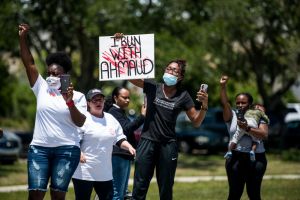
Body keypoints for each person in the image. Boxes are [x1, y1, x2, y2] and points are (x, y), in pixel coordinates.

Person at [19, 24, 87, 200]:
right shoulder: (41, 87)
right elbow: (29, 63)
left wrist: (69, 101)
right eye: (49, 72)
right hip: (39, 149)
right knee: (35, 194)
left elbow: (80, 122)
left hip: (67, 150)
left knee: (57, 195)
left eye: (56, 74)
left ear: (65, 75)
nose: (51, 76)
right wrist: (23, 38)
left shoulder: (78, 96)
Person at [129, 59, 208, 200]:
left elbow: (196, 121)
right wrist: (123, 46)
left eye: (174, 70)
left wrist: (204, 105)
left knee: (166, 187)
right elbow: (130, 77)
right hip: (147, 141)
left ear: (180, 77)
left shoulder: (183, 96)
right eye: (168, 69)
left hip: (168, 145)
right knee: (139, 186)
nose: (170, 72)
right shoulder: (153, 86)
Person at [72, 88, 136, 200]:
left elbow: (119, 138)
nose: (98, 102)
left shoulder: (110, 118)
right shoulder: (83, 118)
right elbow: (73, 140)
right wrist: (79, 151)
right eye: (94, 100)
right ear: (88, 103)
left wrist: (129, 147)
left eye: (100, 100)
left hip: (104, 172)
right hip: (84, 171)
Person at [220, 75, 269, 200]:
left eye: (243, 102)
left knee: (254, 194)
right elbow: (225, 103)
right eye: (238, 103)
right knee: (234, 195)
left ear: (250, 104)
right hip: (235, 158)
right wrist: (223, 86)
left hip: (256, 159)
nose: (240, 105)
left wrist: (247, 128)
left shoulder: (258, 116)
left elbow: (264, 135)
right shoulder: (231, 115)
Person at [104, 87, 146, 200]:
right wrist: (142, 117)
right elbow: (125, 130)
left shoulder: (119, 112)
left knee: (122, 193)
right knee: (117, 193)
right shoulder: (113, 112)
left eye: (128, 98)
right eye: (124, 97)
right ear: (115, 98)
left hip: (124, 154)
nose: (127, 100)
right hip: (118, 154)